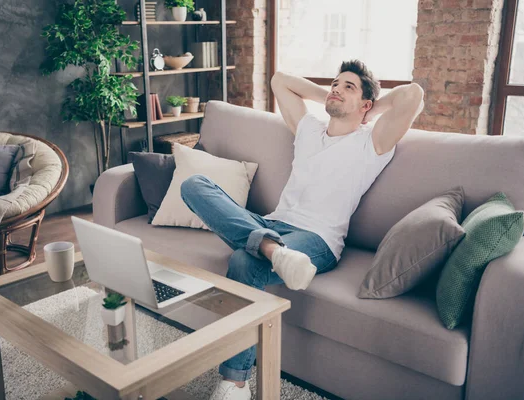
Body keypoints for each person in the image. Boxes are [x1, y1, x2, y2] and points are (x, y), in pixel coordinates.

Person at [180, 59, 424, 400]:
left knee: (243, 262)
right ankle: (271, 249)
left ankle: (234, 383)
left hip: (318, 239)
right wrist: (334, 94)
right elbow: (280, 79)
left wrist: (370, 110)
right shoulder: (309, 129)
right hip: (272, 223)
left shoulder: (372, 143)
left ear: (365, 104)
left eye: (348, 87)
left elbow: (412, 95)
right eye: (335, 83)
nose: (337, 88)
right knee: (193, 185)